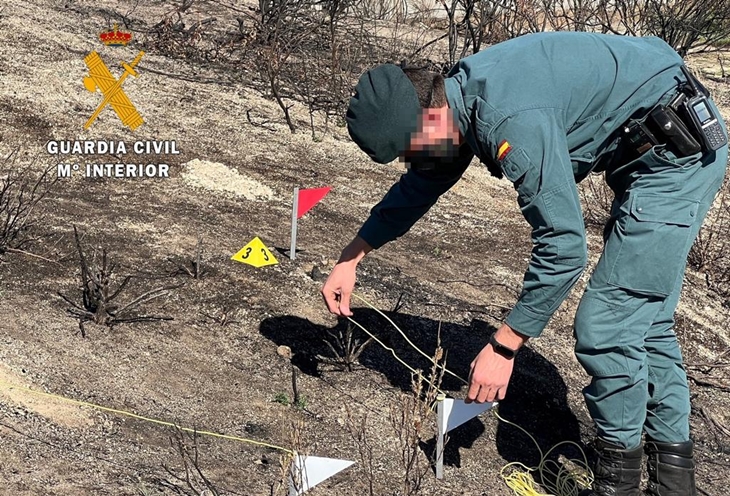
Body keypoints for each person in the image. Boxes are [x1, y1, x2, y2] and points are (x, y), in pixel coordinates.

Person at [320, 31, 728, 496]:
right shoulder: (457, 100)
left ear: (429, 116)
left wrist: (503, 348)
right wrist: (352, 256)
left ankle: (620, 485)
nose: (413, 162)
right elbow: (423, 184)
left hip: (677, 158)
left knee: (608, 325)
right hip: (659, 142)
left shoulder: (509, 117)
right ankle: (677, 486)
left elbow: (564, 248)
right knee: (645, 321)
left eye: (410, 150)